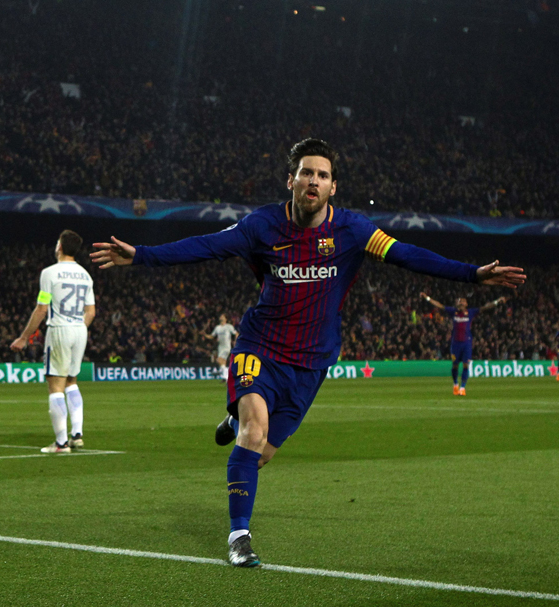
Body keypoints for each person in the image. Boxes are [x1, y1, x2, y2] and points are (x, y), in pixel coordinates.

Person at [90, 138, 525, 567]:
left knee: (259, 455)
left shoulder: (353, 230)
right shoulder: (262, 226)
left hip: (312, 362)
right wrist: (143, 255)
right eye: (306, 173)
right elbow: (207, 246)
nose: (313, 181)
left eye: (322, 175)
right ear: (291, 181)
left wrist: (471, 275)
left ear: (333, 186)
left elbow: (406, 255)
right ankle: (239, 536)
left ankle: (234, 417)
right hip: (259, 346)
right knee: (254, 430)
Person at [10, 230, 96, 453]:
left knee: (55, 385)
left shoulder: (50, 273)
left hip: (59, 329)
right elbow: (91, 312)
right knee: (72, 381)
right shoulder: (86, 275)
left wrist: (24, 337)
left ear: (60, 246)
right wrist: (78, 328)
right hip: (80, 330)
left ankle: (61, 444)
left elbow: (42, 308)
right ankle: (76, 435)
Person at [419, 293, 506, 395]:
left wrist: (497, 302)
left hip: (466, 343)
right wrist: (427, 298)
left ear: (466, 304)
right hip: (455, 343)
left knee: (466, 365)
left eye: (463, 301)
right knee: (455, 365)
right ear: (457, 304)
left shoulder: (471, 312)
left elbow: (485, 307)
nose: (461, 302)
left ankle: (462, 388)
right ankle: (455, 384)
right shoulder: (453, 312)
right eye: (459, 301)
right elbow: (439, 305)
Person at [205, 314, 238, 382]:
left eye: (223, 316)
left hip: (226, 347)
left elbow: (236, 333)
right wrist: (205, 335)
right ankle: (225, 377)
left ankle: (227, 377)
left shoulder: (229, 326)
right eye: (220, 316)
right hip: (220, 347)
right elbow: (212, 336)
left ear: (226, 319)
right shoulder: (217, 327)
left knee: (218, 360)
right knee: (223, 362)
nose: (221, 317)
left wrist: (235, 341)